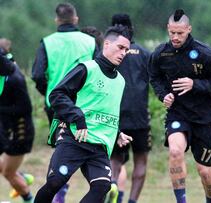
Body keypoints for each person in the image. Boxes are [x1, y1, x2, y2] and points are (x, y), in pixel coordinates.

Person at [34, 25, 133, 203]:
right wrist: (76, 117)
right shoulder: (86, 69)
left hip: (99, 146)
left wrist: (117, 133)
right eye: (120, 47)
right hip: (74, 139)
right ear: (107, 44)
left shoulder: (120, 81)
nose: (123, 53)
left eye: (126, 49)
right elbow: (57, 95)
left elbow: (103, 110)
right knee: (55, 182)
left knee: (102, 187)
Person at [148, 9, 211, 203]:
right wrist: (163, 95)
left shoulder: (206, 54)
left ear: (189, 30)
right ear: (168, 29)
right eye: (172, 33)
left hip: (205, 117)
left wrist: (196, 84)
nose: (175, 37)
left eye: (180, 33)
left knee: (204, 171)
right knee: (175, 151)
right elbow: (155, 77)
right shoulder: (161, 53)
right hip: (178, 113)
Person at [31, 3, 97, 202]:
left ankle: (58, 196)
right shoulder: (90, 41)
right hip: (85, 106)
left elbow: (37, 74)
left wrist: (49, 93)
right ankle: (102, 185)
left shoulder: (48, 42)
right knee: (89, 148)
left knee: (62, 150)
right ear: (75, 19)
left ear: (57, 20)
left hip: (58, 106)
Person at [106, 13, 152, 203]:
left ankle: (113, 184)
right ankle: (132, 200)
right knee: (140, 160)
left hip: (115, 115)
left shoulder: (109, 54)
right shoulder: (144, 53)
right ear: (132, 29)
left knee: (115, 160)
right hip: (140, 115)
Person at [0, 38, 35, 203]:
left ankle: (29, 199)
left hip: (20, 132)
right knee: (9, 171)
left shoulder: (15, 79)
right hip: (5, 128)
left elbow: (25, 108)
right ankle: (22, 177)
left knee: (8, 173)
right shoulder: (4, 74)